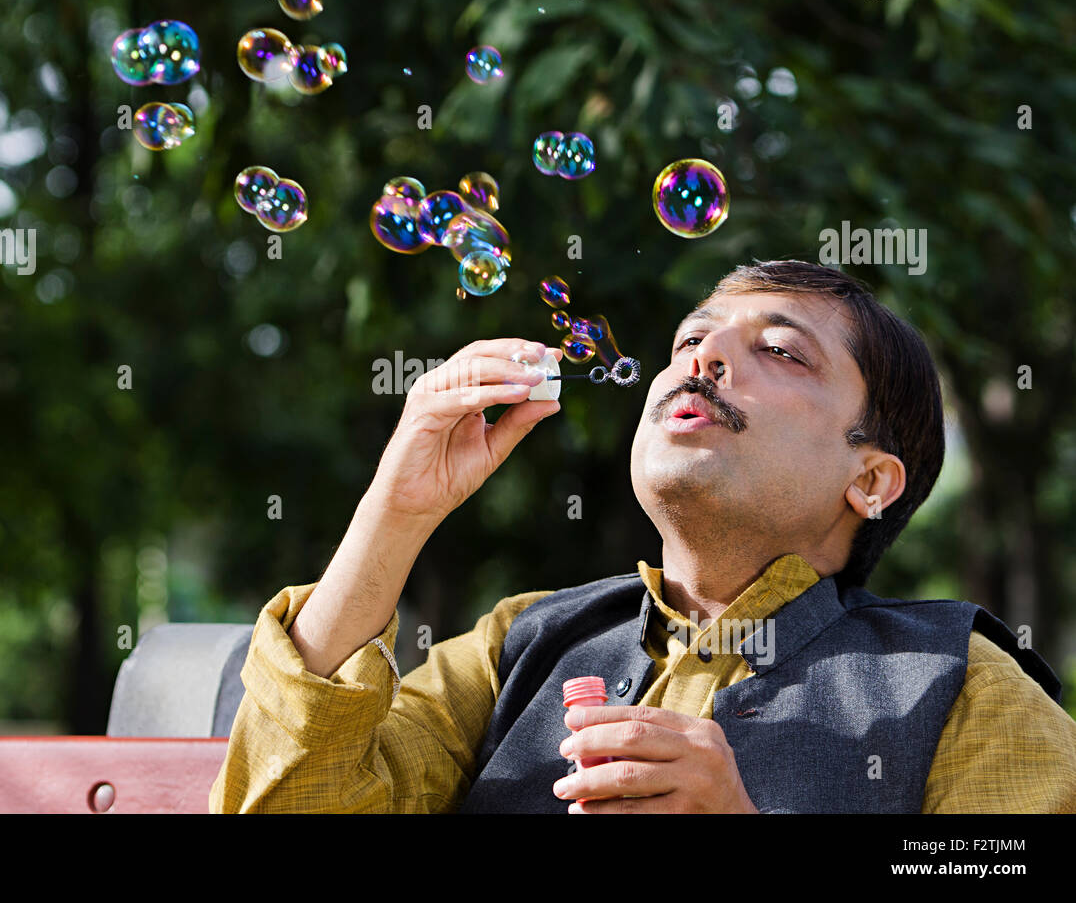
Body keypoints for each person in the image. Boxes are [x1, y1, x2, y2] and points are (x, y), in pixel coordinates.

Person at [209, 259, 1076, 813]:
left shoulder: (968, 689)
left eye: (781, 350)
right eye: (690, 339)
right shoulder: (520, 646)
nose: (702, 358)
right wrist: (395, 511)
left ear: (871, 478)